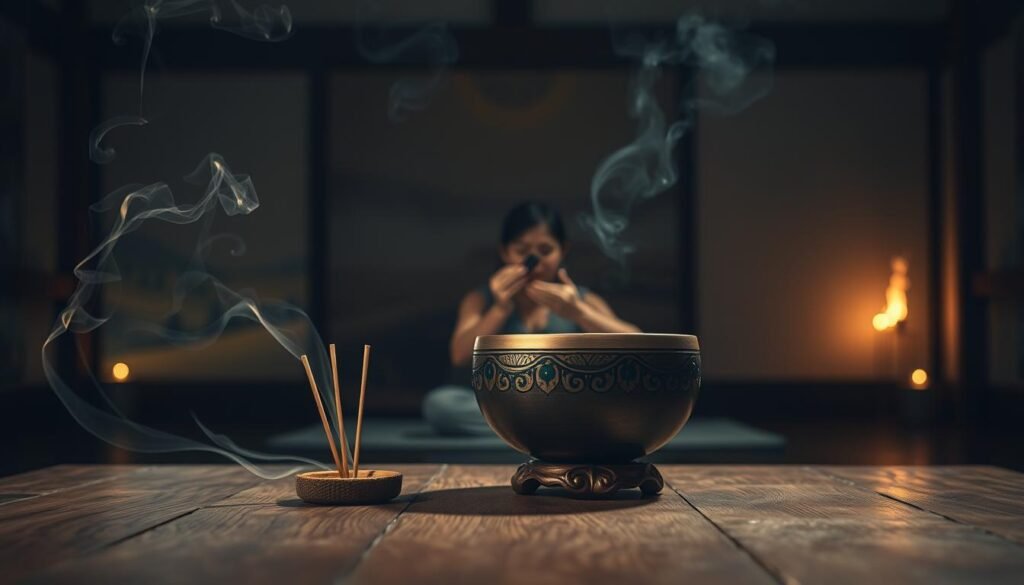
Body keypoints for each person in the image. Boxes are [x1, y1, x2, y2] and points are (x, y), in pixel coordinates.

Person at [423, 201, 640, 435]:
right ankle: (553, 431)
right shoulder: (481, 299)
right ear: (505, 252)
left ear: (562, 251)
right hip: (504, 405)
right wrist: (500, 308)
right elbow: (460, 356)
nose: (534, 262)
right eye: (522, 251)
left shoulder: (580, 300)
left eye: (545, 251)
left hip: (563, 401)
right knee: (440, 405)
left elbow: (638, 345)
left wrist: (579, 312)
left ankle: (520, 433)